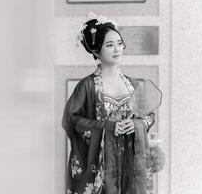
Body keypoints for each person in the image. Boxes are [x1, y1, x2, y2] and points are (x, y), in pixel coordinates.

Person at [62, 13, 155, 194]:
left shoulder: (132, 84)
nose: (117, 49)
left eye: (120, 43)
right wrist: (107, 127)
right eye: (110, 45)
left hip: (128, 163)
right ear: (96, 51)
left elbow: (149, 117)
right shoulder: (87, 86)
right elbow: (71, 121)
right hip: (99, 167)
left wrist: (137, 124)